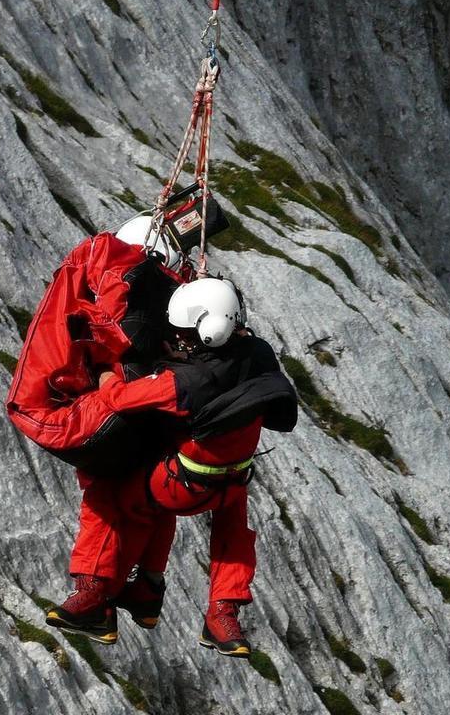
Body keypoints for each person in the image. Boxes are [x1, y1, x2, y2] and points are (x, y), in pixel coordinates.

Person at [45, 278, 298, 657]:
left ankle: (94, 596)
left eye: (185, 335)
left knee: (110, 495)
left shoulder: (184, 384)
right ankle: (220, 616)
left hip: (182, 486)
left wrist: (105, 370)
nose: (179, 341)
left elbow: (119, 398)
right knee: (230, 534)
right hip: (233, 482)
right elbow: (219, 364)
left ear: (206, 333)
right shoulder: (258, 352)